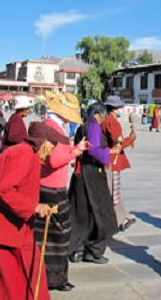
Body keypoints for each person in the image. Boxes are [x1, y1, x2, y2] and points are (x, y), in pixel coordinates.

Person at [0, 122, 66, 300]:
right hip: (5, 227)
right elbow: (4, 189)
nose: (52, 151)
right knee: (13, 278)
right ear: (44, 143)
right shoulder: (24, 155)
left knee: (10, 274)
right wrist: (33, 207)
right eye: (52, 146)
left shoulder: (23, 152)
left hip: (6, 223)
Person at [35, 90, 88, 291]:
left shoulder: (53, 126)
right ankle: (54, 278)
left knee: (48, 234)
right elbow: (54, 160)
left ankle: (50, 275)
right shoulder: (53, 130)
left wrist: (76, 150)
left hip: (48, 185)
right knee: (59, 233)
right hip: (51, 187)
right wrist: (74, 152)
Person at [68, 103, 122, 264]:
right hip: (91, 173)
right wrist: (112, 151)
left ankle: (77, 248)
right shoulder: (93, 126)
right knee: (100, 211)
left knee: (81, 213)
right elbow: (93, 150)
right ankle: (93, 250)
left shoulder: (83, 125)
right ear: (99, 114)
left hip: (81, 173)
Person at [100, 96, 137, 232]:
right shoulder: (112, 122)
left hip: (108, 159)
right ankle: (117, 220)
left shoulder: (104, 120)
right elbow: (118, 144)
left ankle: (122, 218)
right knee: (114, 192)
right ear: (116, 109)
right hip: (112, 160)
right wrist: (130, 139)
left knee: (114, 190)